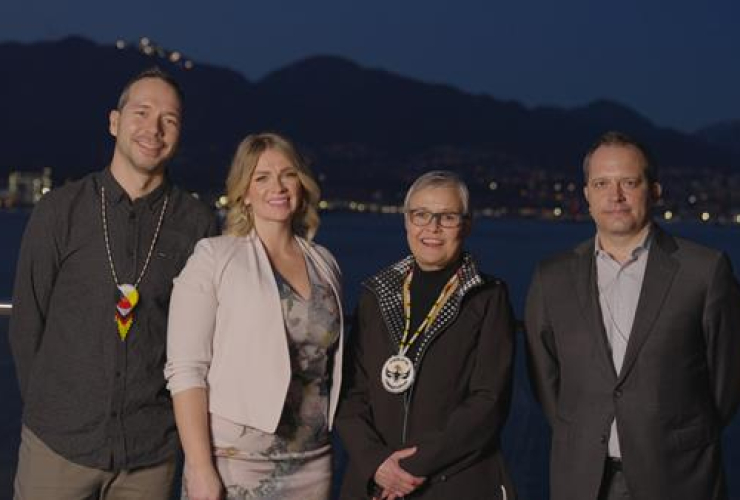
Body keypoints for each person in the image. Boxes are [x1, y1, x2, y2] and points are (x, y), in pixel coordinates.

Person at [9, 67, 218, 499]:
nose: (154, 129)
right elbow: (27, 321)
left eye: (169, 120)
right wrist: (50, 410)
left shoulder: (196, 223)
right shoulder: (60, 211)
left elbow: (202, 337)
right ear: (114, 122)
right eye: (141, 112)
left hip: (150, 454)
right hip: (57, 447)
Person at [525, 130, 740, 500]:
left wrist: (674, 435)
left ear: (654, 190)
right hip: (582, 478)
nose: (616, 196)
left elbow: (727, 381)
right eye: (602, 183)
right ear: (586, 195)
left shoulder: (704, 271)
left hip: (679, 477)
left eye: (629, 182)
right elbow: (546, 380)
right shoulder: (551, 277)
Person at [164, 132, 344, 500]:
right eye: (261, 177)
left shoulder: (324, 262)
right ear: (244, 192)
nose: (276, 186)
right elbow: (186, 370)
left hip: (313, 460)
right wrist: (199, 467)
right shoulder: (214, 257)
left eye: (287, 174)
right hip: (235, 461)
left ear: (301, 183)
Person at [336, 170, 516, 500]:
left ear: (467, 225)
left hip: (455, 483)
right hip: (374, 484)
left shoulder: (488, 298)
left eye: (447, 217)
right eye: (421, 215)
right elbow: (349, 394)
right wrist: (376, 463)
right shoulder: (375, 295)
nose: (432, 227)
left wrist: (412, 468)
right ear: (406, 221)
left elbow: (487, 403)